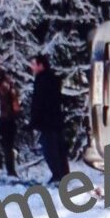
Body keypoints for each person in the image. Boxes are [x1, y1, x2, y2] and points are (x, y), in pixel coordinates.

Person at [30, 53, 69, 184]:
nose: (32, 67)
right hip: (56, 119)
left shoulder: (41, 80)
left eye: (34, 64)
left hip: (47, 121)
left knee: (50, 150)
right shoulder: (52, 78)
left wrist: (34, 120)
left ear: (41, 65)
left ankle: (58, 175)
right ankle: (64, 174)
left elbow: (38, 102)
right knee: (59, 148)